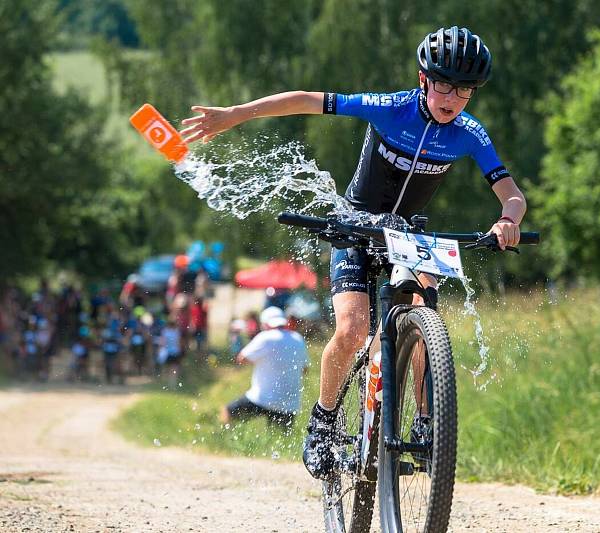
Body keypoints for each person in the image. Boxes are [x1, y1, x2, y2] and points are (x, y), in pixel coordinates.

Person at [182, 26, 526, 478]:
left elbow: (511, 193)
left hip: (406, 234)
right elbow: (307, 99)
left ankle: (427, 426)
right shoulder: (391, 108)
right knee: (352, 329)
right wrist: (235, 114)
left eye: (464, 90)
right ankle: (322, 426)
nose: (452, 98)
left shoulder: (468, 132)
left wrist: (508, 220)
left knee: (427, 309)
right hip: (356, 228)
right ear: (424, 79)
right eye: (443, 84)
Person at [220, 307, 309, 430]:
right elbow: (304, 370)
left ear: (265, 323)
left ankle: (225, 438)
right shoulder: (298, 339)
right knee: (279, 441)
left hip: (261, 398)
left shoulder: (266, 337)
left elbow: (241, 359)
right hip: (289, 404)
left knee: (228, 412)